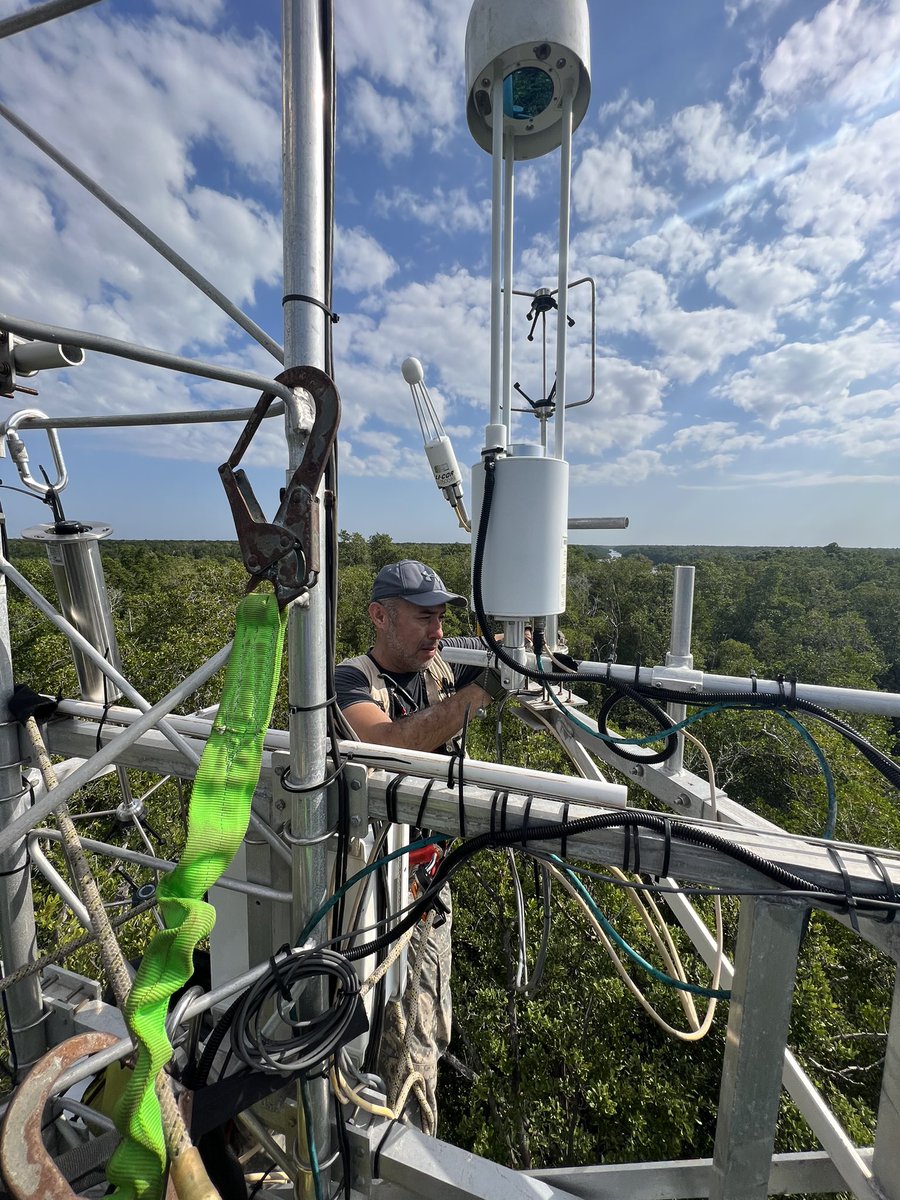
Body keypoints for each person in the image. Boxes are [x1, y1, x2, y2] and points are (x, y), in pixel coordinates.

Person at [335, 560, 503, 1133]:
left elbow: (499, 642)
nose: (436, 631)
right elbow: (385, 741)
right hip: (371, 895)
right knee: (382, 1039)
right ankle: (384, 1159)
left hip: (428, 884)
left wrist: (518, 642)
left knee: (425, 1029)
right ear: (380, 616)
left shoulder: (440, 665)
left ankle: (399, 1145)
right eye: (422, 617)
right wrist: (474, 697)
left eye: (441, 618)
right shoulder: (349, 681)